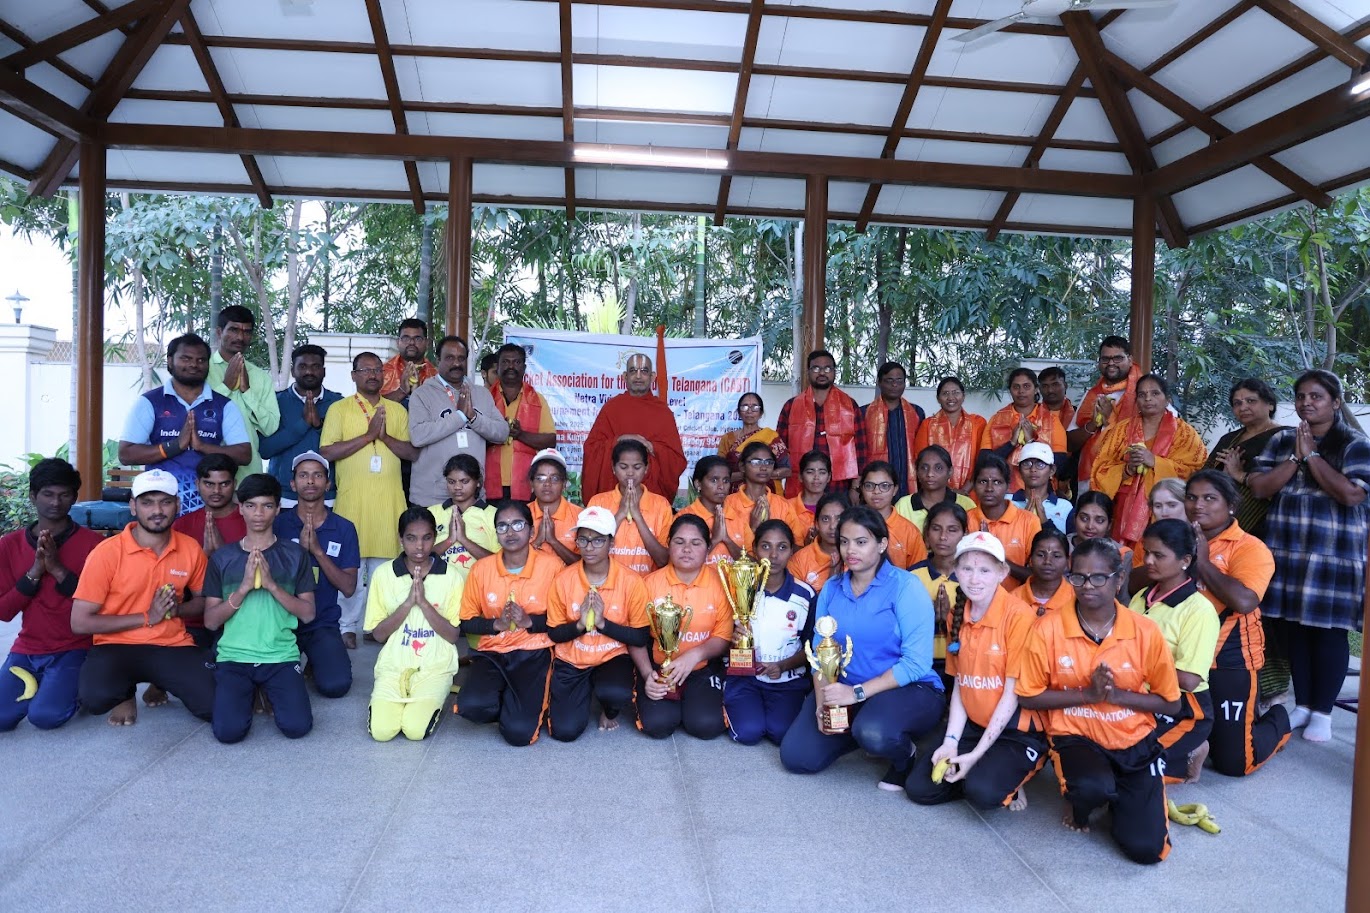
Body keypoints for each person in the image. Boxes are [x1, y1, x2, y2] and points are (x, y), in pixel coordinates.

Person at [1016, 538, 1181, 865]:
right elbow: (1028, 695)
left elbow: (1171, 704)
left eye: (1098, 577)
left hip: (1134, 740)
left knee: (1147, 850)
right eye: (1077, 576)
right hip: (1076, 736)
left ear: (1119, 579)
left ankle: (1121, 797)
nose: (1086, 585)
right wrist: (1087, 696)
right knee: (1091, 787)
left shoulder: (1144, 631)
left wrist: (1117, 696)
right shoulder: (1048, 628)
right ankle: (1082, 802)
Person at [779, 506, 945, 789]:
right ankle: (858, 732)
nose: (850, 550)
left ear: (882, 544)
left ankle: (904, 755)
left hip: (907, 689)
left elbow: (916, 663)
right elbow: (821, 654)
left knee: (874, 732)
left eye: (861, 541)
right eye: (844, 542)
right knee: (797, 757)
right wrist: (823, 703)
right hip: (846, 690)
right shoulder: (832, 588)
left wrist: (854, 694)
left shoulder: (906, 587)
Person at [1248, 369, 1368, 744]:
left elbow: (1351, 495)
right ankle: (1303, 706)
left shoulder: (1355, 443)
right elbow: (1260, 488)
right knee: (1293, 627)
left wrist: (1312, 455)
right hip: (1287, 550)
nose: (1306, 403)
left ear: (1335, 401)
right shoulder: (1282, 439)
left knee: (1328, 630)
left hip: (1334, 554)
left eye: (1316, 396)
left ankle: (1324, 711)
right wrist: (1296, 459)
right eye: (1301, 396)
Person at [906, 532, 1046, 811]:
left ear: (1002, 572)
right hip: (974, 724)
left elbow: (1012, 694)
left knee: (982, 794)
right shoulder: (958, 613)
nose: (974, 578)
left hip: (1015, 731)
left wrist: (977, 754)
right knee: (919, 788)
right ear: (956, 570)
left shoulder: (1019, 616)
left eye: (984, 570)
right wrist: (951, 742)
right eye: (967, 569)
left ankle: (1009, 775)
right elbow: (961, 684)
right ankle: (983, 771)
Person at [70, 469, 216, 726]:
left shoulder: (190, 548)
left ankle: (160, 681)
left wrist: (176, 610)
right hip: (115, 645)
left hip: (171, 643)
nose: (157, 510)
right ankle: (124, 694)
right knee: (95, 698)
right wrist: (148, 616)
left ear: (177, 505)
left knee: (215, 706)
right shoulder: (106, 553)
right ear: (133, 507)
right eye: (147, 502)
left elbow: (204, 601)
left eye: (165, 501)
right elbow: (80, 622)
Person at [1184, 470, 1291, 775]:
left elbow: (1244, 601)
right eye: (1191, 497)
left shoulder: (1249, 547)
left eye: (1209, 498)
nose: (1198, 505)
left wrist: (1202, 561)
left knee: (1232, 763)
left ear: (1231, 505)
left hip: (1228, 660)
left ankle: (1279, 718)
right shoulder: (1176, 537)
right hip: (1179, 657)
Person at [202, 474, 316, 743]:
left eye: (267, 506)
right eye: (251, 505)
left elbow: (308, 613)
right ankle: (252, 691)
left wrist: (272, 586)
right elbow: (209, 621)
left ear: (278, 509)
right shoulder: (223, 558)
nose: (258, 513)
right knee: (228, 733)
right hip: (234, 657)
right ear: (240, 508)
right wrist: (242, 588)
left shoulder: (295, 555)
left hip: (280, 656)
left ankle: (266, 689)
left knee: (297, 727)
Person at [320, 351, 419, 650]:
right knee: (350, 569)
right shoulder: (339, 410)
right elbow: (327, 452)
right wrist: (368, 436)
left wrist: (384, 437)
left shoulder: (397, 410)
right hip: (352, 503)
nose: (372, 374)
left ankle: (377, 626)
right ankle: (347, 626)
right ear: (353, 375)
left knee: (385, 571)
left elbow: (412, 453)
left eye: (377, 369)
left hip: (388, 503)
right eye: (365, 369)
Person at [0, 459, 102, 731]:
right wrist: (35, 572)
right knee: (1, 718)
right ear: (33, 496)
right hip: (27, 648)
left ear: (75, 497)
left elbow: (101, 606)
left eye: (64, 494)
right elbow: (4, 611)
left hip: (76, 647)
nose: (56, 502)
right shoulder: (9, 545)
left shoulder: (96, 545)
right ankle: (49, 684)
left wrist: (57, 569)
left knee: (45, 716)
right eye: (48, 494)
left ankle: (74, 688)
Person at [457, 501, 560, 746]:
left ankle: (524, 706)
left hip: (534, 651)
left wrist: (529, 621)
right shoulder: (482, 569)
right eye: (502, 526)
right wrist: (496, 625)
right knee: (470, 707)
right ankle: (510, 701)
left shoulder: (552, 567)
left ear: (531, 531)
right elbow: (466, 621)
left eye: (517, 524)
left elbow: (563, 620)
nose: (510, 532)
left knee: (519, 734)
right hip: (493, 650)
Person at [545, 506, 652, 740]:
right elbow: (554, 633)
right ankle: (584, 692)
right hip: (572, 659)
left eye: (597, 540)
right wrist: (579, 626)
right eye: (583, 539)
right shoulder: (563, 580)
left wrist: (603, 624)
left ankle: (609, 708)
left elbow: (641, 636)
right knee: (565, 732)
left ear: (611, 543)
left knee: (615, 693)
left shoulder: (631, 581)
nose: (589, 547)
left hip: (612, 656)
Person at [119, 333, 251, 514]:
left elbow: (244, 455)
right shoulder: (150, 402)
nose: (193, 365)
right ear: (170, 361)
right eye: (186, 358)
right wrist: (175, 446)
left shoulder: (224, 405)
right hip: (161, 508)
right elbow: (126, 454)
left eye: (201, 360)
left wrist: (202, 446)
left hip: (210, 509)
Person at [1129, 519, 1219, 783]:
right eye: (1146, 552)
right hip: (1141, 697)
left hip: (1184, 709)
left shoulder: (1198, 610)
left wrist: (1135, 663)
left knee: (1139, 769)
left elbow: (1189, 680)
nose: (1148, 560)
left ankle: (1192, 750)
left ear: (1184, 560)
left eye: (1159, 555)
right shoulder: (1142, 596)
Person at [364, 507, 463, 742]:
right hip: (393, 665)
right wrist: (408, 603)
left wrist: (424, 604)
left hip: (435, 666)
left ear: (435, 538)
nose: (419, 546)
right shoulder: (383, 574)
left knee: (415, 730)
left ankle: (434, 696)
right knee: (382, 732)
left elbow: (452, 635)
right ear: (400, 540)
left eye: (426, 538)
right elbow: (378, 635)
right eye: (411, 538)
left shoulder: (452, 575)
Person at [633, 514, 734, 739]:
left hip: (701, 669)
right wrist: (648, 674)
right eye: (679, 542)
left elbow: (723, 636)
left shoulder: (720, 585)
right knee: (658, 726)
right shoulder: (649, 584)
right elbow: (636, 637)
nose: (686, 549)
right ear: (668, 545)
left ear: (708, 549)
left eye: (695, 543)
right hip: (660, 669)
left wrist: (695, 655)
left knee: (706, 726)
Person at [274, 451, 360, 699]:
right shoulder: (278, 524)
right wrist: (300, 552)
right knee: (276, 686)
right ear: (293, 484)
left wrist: (318, 552)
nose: (310, 481)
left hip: (322, 623)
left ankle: (317, 657)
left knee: (336, 686)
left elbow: (348, 587)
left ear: (328, 483)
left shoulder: (344, 528)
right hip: (282, 622)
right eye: (303, 475)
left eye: (317, 475)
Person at [724, 520, 817, 745]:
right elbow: (719, 633)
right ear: (754, 548)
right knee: (748, 733)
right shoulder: (739, 587)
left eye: (782, 547)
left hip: (787, 681)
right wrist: (733, 639)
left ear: (792, 551)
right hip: (745, 679)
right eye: (766, 546)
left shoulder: (804, 595)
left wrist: (783, 666)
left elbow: (812, 648)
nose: (773, 555)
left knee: (781, 733)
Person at [1091, 374, 1207, 549]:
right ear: (1136, 400)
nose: (1148, 399)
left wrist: (1156, 462)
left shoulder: (1185, 433)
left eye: (1155, 393)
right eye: (1142, 394)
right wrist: (1127, 469)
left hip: (1166, 508)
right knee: (1124, 555)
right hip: (1124, 507)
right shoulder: (1120, 431)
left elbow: (1196, 470)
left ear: (1167, 399)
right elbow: (1100, 468)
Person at [409, 335, 509, 509]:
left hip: (473, 498)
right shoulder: (422, 394)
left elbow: (502, 433)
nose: (456, 363)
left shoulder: (481, 394)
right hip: (431, 498)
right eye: (449, 358)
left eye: (461, 358)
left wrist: (474, 418)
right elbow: (418, 436)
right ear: (438, 360)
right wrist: (460, 416)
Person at [581, 353, 688, 502]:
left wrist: (652, 447)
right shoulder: (611, 408)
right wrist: (619, 440)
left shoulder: (663, 413)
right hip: (613, 497)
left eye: (644, 371)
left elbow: (676, 460)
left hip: (650, 500)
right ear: (625, 376)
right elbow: (592, 449)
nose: (638, 376)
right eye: (633, 371)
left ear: (653, 377)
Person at [259, 343, 342, 504]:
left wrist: (319, 426)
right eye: (302, 366)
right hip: (283, 496)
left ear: (324, 371)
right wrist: (302, 425)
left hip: (328, 497)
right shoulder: (275, 403)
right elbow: (264, 449)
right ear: (292, 370)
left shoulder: (338, 404)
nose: (309, 372)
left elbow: (344, 447)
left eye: (315, 366)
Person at [777, 350, 866, 498]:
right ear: (808, 372)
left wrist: (855, 488)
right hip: (800, 484)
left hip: (839, 486)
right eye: (816, 368)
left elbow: (861, 450)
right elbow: (780, 450)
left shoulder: (849, 405)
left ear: (834, 372)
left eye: (827, 368)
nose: (822, 373)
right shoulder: (791, 406)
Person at [207, 305, 281, 479]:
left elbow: (270, 427)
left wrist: (247, 391)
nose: (240, 337)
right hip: (209, 474)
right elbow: (197, 416)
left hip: (248, 473)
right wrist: (226, 386)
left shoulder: (260, 377)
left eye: (246, 332)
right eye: (233, 330)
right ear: (219, 332)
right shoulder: (203, 370)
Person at [1204, 378, 1286, 536]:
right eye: (1237, 403)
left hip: (1267, 523)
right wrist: (1223, 478)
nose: (1243, 407)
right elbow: (1204, 476)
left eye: (1251, 401)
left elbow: (1285, 484)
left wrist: (1239, 474)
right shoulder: (1228, 439)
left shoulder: (1286, 437)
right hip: (1222, 522)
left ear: (1270, 404)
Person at [1067, 336, 1142, 495]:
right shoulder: (1092, 395)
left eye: (1117, 358)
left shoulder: (1144, 392)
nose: (1111, 363)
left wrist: (1111, 421)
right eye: (1106, 359)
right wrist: (1094, 424)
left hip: (1130, 477)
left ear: (1130, 360)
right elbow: (1070, 444)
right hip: (1091, 478)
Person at [588, 439, 673, 575]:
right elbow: (591, 551)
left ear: (646, 468)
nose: (630, 473)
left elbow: (663, 560)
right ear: (613, 468)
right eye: (623, 467)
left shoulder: (661, 505)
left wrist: (638, 516)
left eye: (637, 467)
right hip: (608, 585)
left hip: (647, 587)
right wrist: (621, 513)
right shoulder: (598, 502)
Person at [485, 342, 558, 501]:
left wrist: (520, 434)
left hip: (525, 483)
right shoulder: (483, 398)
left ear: (524, 368)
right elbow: (473, 438)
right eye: (505, 362)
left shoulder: (537, 400)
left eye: (516, 362)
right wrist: (498, 433)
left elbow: (551, 440)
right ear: (497, 367)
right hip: (488, 483)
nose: (511, 366)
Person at [982, 368, 1067, 491]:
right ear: (1010, 390)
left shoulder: (1051, 420)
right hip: (1002, 493)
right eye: (1016, 387)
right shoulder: (996, 420)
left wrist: (1031, 443)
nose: (1021, 391)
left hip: (1041, 493)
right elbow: (984, 463)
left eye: (1026, 386)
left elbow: (1060, 465)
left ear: (1036, 389)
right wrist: (1010, 443)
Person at [966, 453, 1042, 589]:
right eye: (983, 481)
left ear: (1008, 486)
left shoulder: (1029, 522)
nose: (989, 489)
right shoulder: (965, 520)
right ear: (974, 485)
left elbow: (1037, 575)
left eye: (997, 482)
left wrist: (997, 557)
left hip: (1016, 605)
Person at [908, 500, 968, 665]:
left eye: (952, 530)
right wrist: (930, 617)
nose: (943, 537)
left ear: (965, 534)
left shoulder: (973, 578)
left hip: (965, 662)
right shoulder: (911, 578)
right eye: (936, 529)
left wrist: (949, 617)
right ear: (926, 534)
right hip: (921, 664)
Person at [723, 441, 801, 554]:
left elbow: (797, 547)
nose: (764, 467)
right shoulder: (728, 504)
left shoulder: (783, 505)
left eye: (768, 462)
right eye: (756, 462)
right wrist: (753, 529)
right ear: (742, 467)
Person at [913, 377, 987, 493]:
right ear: (938, 399)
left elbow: (983, 460)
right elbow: (921, 461)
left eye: (955, 393)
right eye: (945, 393)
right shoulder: (927, 425)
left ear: (963, 396)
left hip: (971, 492)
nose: (951, 397)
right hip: (935, 493)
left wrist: (965, 490)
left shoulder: (978, 423)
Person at [429, 454, 498, 576]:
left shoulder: (493, 515)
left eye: (464, 481)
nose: (457, 487)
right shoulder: (431, 514)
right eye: (451, 482)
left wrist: (463, 539)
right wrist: (450, 540)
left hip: (480, 589)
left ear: (478, 482)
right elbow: (417, 557)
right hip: (440, 590)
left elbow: (501, 563)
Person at [863, 361, 925, 498]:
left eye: (899, 381)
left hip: (907, 483)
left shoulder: (916, 412)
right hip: (876, 486)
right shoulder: (864, 413)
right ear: (879, 382)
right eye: (889, 380)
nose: (894, 385)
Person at [858, 461, 926, 570]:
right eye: (869, 486)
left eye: (884, 486)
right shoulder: (852, 525)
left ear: (895, 490)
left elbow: (919, 573)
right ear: (862, 488)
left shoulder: (909, 532)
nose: (876, 491)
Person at [894, 445, 977, 533]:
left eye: (938, 468)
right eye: (924, 468)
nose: (930, 474)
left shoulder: (966, 504)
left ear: (950, 472)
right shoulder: (903, 506)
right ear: (917, 472)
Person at [718, 392, 789, 494]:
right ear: (738, 412)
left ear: (761, 413)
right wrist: (748, 474)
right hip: (735, 497)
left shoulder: (771, 437)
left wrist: (763, 474)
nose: (749, 411)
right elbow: (721, 473)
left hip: (768, 495)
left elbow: (787, 470)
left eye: (755, 407)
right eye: (745, 407)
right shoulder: (728, 439)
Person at [679, 455, 744, 566]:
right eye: (714, 480)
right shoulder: (684, 517)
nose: (721, 486)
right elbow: (680, 563)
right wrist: (714, 540)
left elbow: (755, 565)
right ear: (698, 484)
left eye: (726, 480)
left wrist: (727, 540)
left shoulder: (739, 516)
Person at [1126, 478, 1189, 594]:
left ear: (1187, 505)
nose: (1164, 512)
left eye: (1172, 505)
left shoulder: (1201, 538)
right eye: (1158, 506)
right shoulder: (1146, 541)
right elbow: (1133, 584)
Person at [527, 448, 581, 565]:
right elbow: (511, 563)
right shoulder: (521, 514)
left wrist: (553, 541)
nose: (547, 484)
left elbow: (585, 565)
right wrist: (537, 541)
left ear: (565, 484)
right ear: (531, 484)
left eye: (555, 478)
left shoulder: (580, 516)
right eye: (540, 478)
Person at [789, 493, 847, 594]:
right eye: (825, 519)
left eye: (839, 519)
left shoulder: (860, 556)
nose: (832, 526)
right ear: (816, 524)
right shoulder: (799, 560)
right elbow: (796, 605)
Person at [1011, 441, 1073, 532]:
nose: (1033, 469)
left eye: (1040, 464)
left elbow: (1068, 543)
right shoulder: (1007, 502)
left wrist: (1044, 521)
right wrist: (1022, 520)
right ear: (1019, 470)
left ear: (1052, 470)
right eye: (1027, 464)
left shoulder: (1064, 507)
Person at [380, 317, 438, 406]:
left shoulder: (435, 376)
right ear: (398, 342)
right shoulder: (382, 372)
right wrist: (402, 391)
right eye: (406, 338)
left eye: (417, 338)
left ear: (426, 343)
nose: (411, 342)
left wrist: (419, 394)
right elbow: (372, 407)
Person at [1023, 528, 1073, 618]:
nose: (1047, 561)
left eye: (1056, 556)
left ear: (1067, 562)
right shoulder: (1013, 598)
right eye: (1041, 555)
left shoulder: (1076, 599)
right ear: (1030, 560)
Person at [785, 450, 831, 540]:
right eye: (810, 472)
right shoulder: (786, 507)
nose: (816, 477)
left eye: (822, 472)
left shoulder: (836, 507)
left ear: (829, 477)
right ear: (800, 477)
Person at [1039, 366, 1075, 431]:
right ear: (1039, 389)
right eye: (1045, 386)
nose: (1050, 390)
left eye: (1055, 384)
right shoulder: (1033, 414)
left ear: (1065, 386)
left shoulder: (1077, 414)